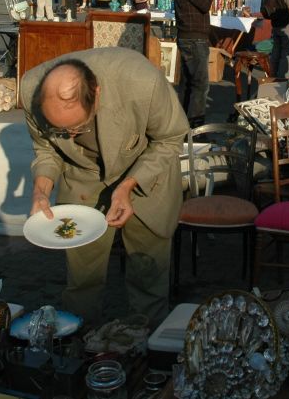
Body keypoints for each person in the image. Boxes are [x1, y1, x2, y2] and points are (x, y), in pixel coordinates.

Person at [22, 48, 188, 325]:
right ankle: (80, 343)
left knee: (148, 277)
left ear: (96, 93)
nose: (70, 136)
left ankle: (147, 344)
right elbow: (46, 150)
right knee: (82, 280)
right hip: (83, 181)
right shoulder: (29, 90)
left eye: (76, 128)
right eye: (61, 131)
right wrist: (41, 190)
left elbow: (170, 139)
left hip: (145, 174)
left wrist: (128, 185)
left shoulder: (141, 81)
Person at [174, 0, 214, 129]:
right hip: (193, 38)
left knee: (189, 84)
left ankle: (184, 127)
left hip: (192, 37)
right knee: (199, 85)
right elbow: (204, 4)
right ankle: (196, 129)